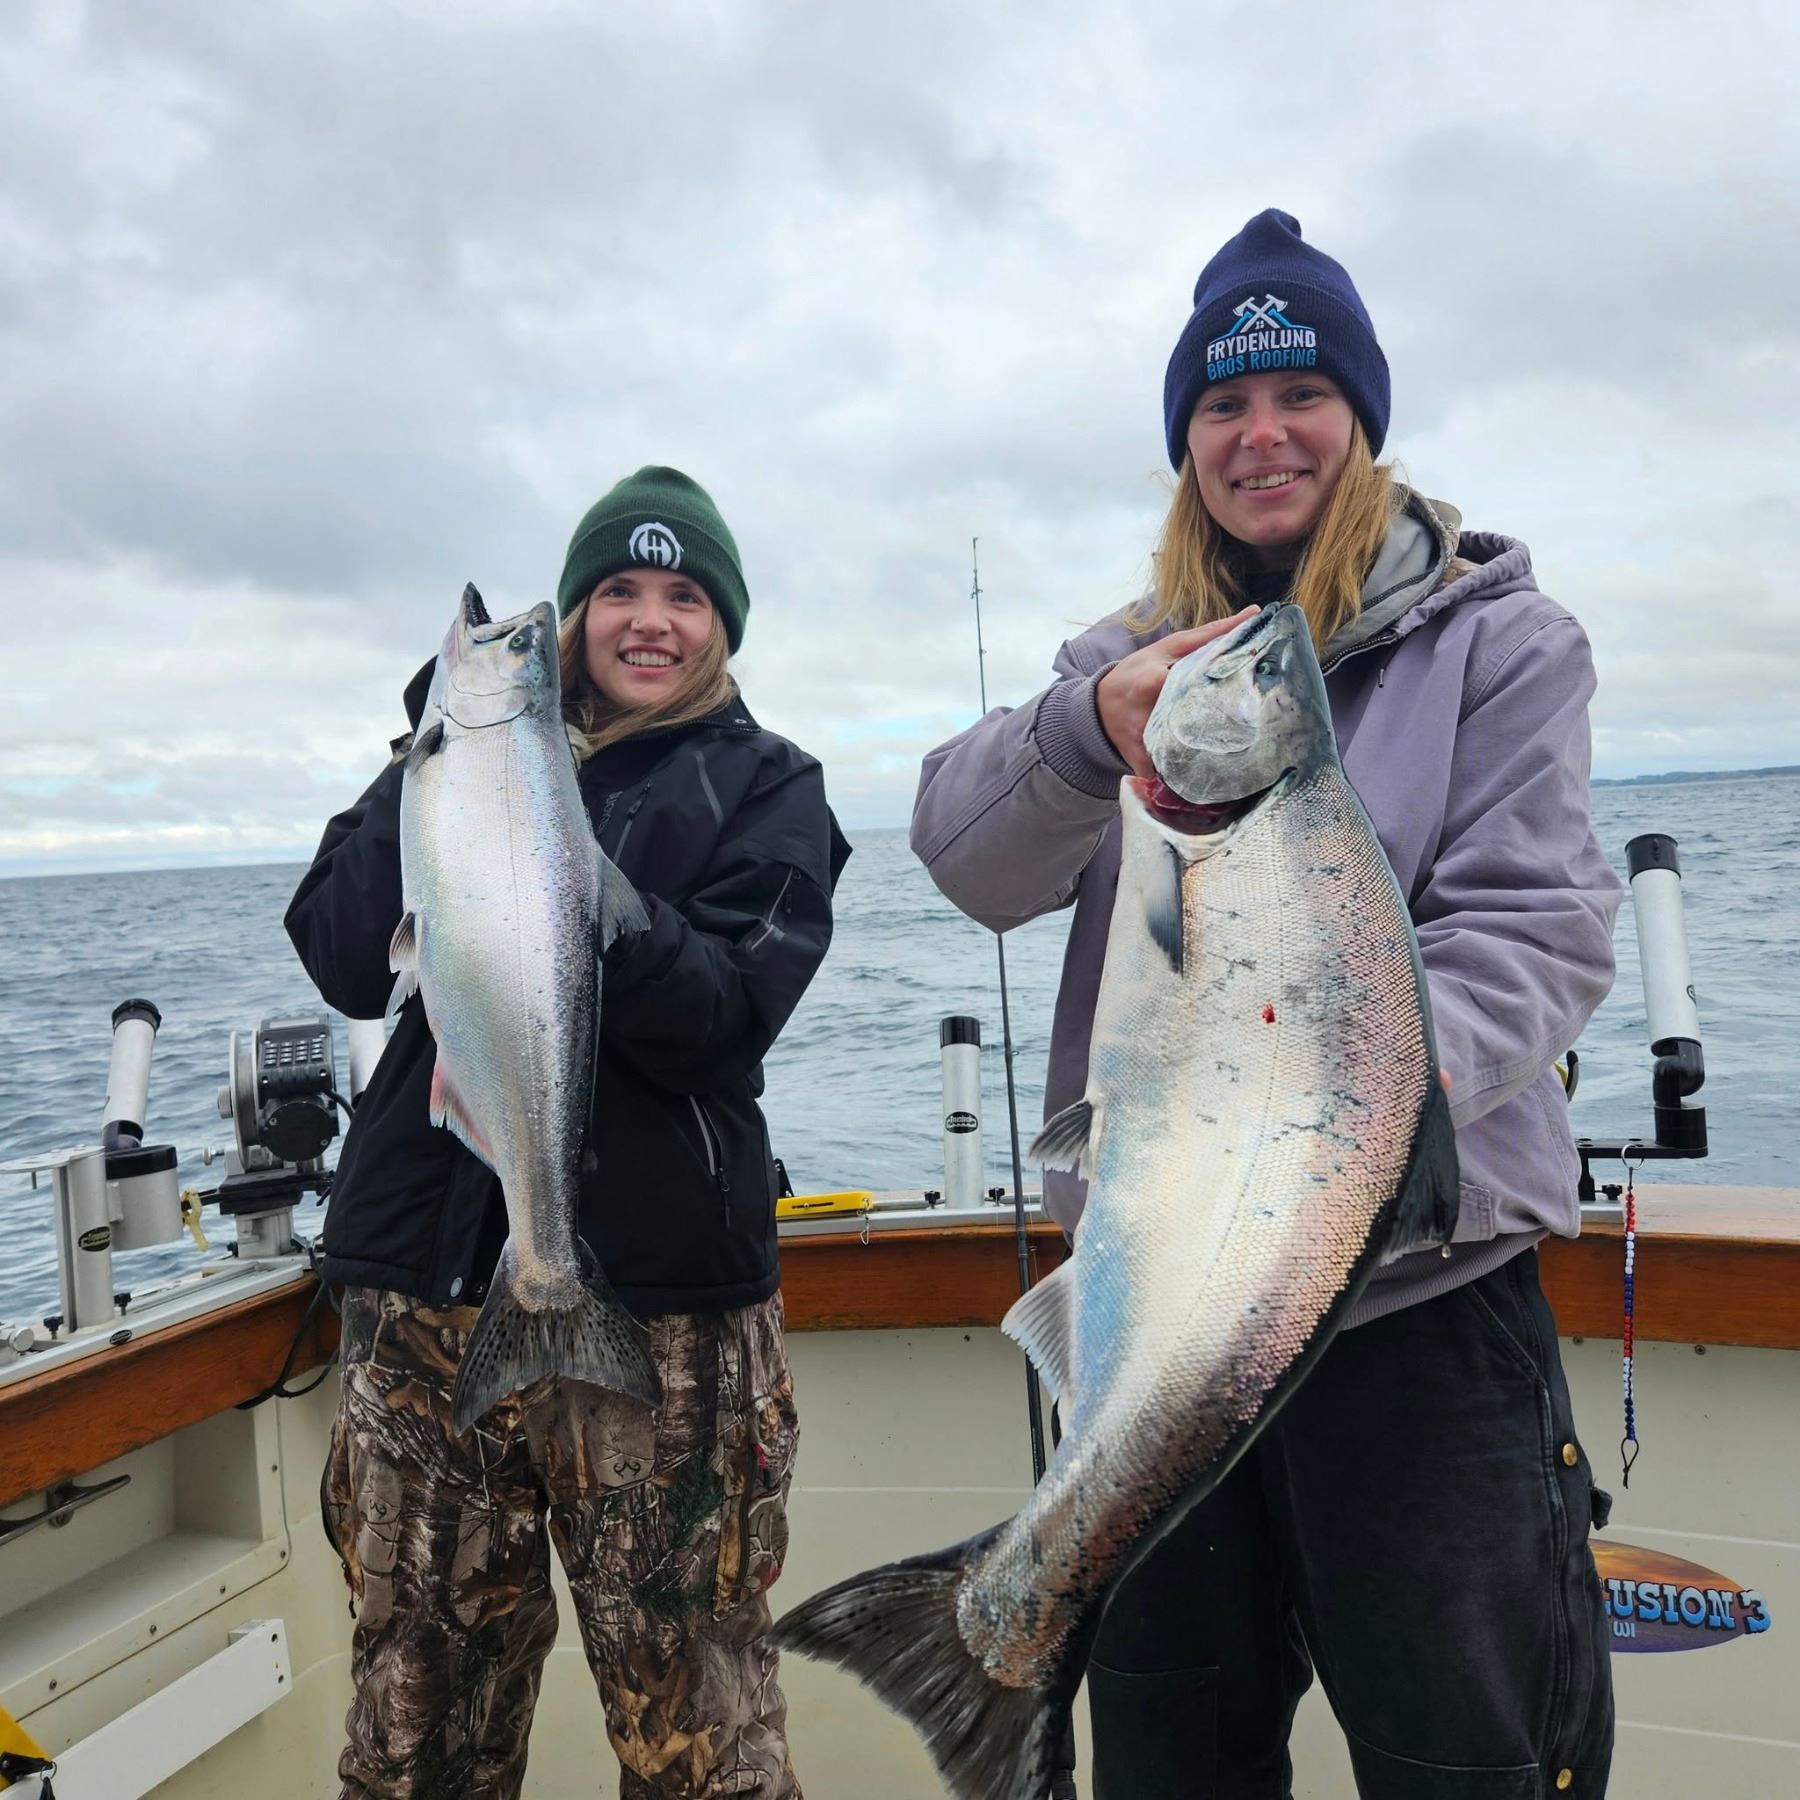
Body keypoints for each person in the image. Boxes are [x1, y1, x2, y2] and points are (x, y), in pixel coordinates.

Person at [911, 211, 1622, 1797]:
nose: (1263, 433)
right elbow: (966, 857)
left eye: (1302, 392)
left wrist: (1339, 1108)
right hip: (1153, 1303)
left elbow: (1546, 930)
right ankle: (994, 1628)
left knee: (1466, 1761)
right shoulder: (1123, 665)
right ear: (1187, 444)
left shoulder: (1503, 644)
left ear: (1362, 417)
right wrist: (1087, 727)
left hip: (1423, 1318)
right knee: (1175, 1764)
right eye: (1223, 405)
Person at [287, 465, 849, 1800]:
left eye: (685, 597)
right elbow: (342, 956)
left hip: (661, 1326)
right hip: (421, 1304)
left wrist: (598, 900)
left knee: (696, 1728)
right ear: (577, 613)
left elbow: (725, 1023)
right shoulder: (447, 762)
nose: (649, 621)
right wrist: (430, 758)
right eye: (617, 592)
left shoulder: (770, 785)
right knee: (418, 1721)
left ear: (723, 625)